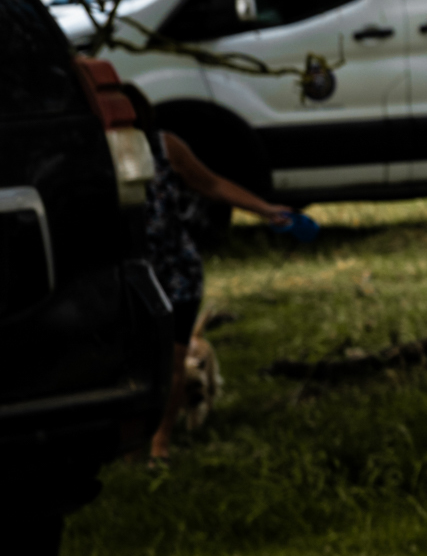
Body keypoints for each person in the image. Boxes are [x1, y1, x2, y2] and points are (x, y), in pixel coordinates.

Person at [117, 84, 294, 459]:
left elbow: (211, 184)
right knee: (136, 361)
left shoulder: (165, 147)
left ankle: (160, 445)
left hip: (176, 270)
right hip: (128, 275)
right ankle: (132, 445)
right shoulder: (93, 154)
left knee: (173, 359)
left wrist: (265, 209)